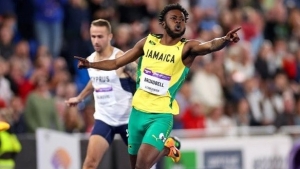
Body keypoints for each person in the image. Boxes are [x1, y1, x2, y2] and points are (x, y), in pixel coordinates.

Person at [75, 3, 240, 169]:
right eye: (174, 18)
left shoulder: (186, 48)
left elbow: (209, 45)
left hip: (161, 116)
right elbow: (117, 62)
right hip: (137, 113)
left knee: (142, 164)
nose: (178, 22)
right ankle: (168, 148)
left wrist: (225, 40)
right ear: (163, 23)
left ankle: (166, 147)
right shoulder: (148, 42)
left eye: (182, 20)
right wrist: (91, 64)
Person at [65, 19, 179, 169]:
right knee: (89, 164)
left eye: (100, 36)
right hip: (104, 119)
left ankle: (167, 147)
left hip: (128, 119)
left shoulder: (122, 59)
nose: (96, 41)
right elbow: (95, 81)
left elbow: (144, 81)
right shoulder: (90, 60)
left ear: (110, 37)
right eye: (93, 36)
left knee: (143, 165)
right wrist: (80, 97)